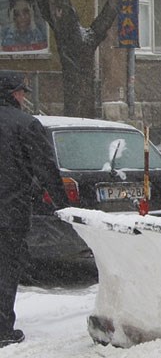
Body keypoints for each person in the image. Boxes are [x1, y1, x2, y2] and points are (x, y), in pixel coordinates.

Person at [0, 70, 67, 348]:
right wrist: (65, 206)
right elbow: (46, 168)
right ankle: (3, 328)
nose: (23, 97)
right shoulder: (26, 125)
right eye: (20, 92)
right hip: (9, 213)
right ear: (12, 95)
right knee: (6, 269)